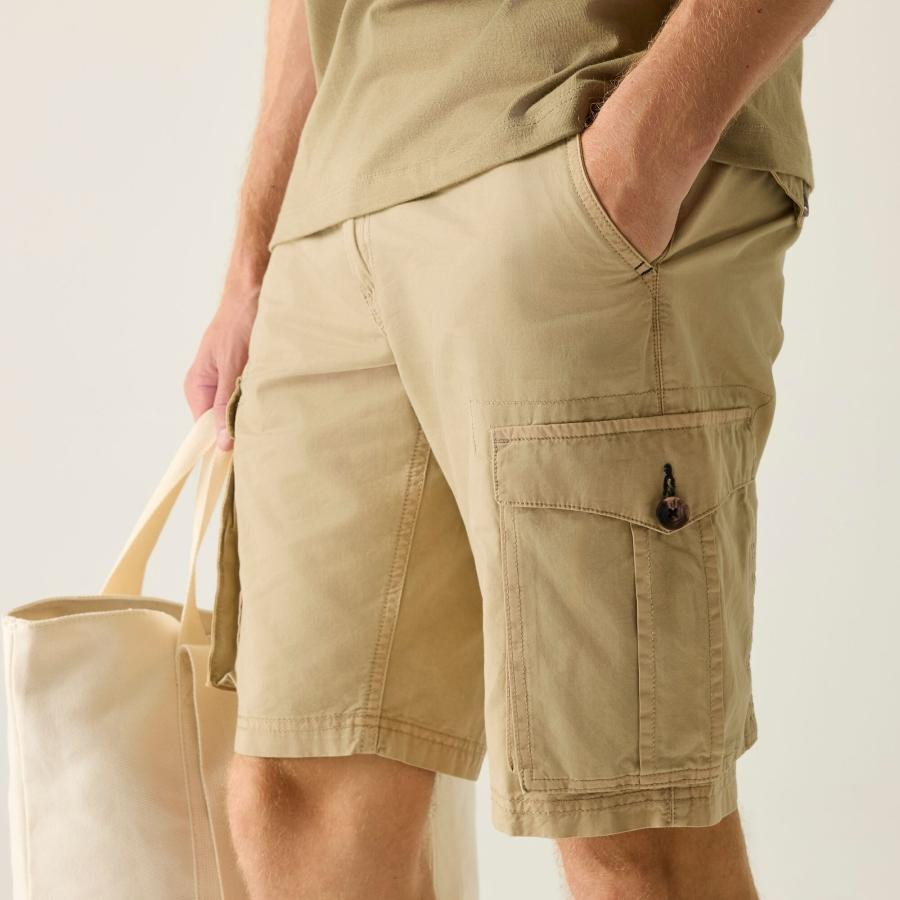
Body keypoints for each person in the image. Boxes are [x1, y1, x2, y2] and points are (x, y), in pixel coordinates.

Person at [185, 1, 831, 897]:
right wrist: (251, 260)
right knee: (298, 793)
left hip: (575, 128)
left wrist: (643, 154)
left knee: (630, 825)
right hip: (333, 207)